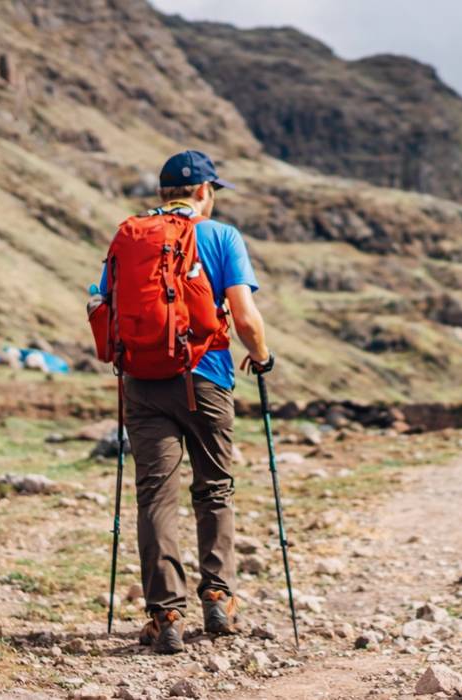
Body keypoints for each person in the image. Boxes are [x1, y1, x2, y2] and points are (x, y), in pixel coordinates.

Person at [96, 150, 273, 654]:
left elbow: (104, 303)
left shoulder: (129, 236)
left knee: (156, 496)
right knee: (213, 490)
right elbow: (245, 318)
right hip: (208, 380)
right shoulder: (221, 237)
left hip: (144, 382)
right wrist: (261, 358)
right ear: (204, 192)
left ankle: (165, 615)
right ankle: (218, 599)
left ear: (162, 194)